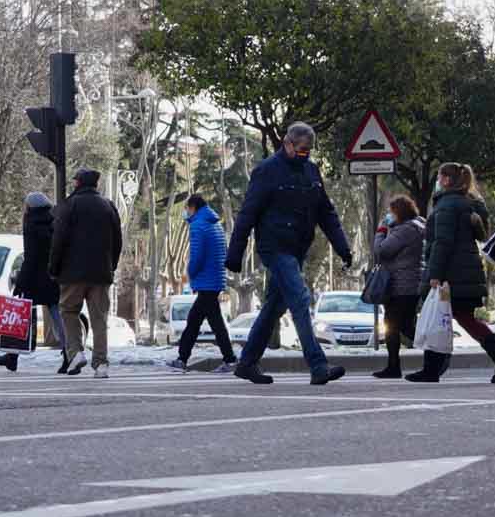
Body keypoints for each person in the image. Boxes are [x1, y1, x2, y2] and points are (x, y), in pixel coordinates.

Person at [225, 122, 354, 387]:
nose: (306, 155)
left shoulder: (311, 171)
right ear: (287, 144)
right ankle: (318, 366)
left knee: (274, 307)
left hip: (297, 249)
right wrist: (235, 253)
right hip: (275, 247)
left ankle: (247, 363)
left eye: (309, 151)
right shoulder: (266, 171)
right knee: (299, 297)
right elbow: (248, 213)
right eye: (302, 150)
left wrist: (343, 249)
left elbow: (326, 214)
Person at [411, 162, 495, 384]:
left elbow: (443, 242)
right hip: (462, 272)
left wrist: (434, 274)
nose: (437, 180)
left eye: (439, 176)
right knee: (455, 317)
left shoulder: (448, 205)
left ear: (447, 180)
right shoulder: (465, 203)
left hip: (451, 274)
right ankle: (433, 369)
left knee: (445, 317)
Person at [50, 169, 123, 378]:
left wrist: (53, 267)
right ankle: (101, 363)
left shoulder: (69, 205)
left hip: (72, 273)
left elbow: (59, 240)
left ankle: (75, 353)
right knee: (99, 319)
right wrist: (112, 265)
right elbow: (118, 240)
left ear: (78, 183)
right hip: (101, 272)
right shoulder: (108, 206)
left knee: (68, 311)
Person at [0, 191, 67, 372]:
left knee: (19, 316)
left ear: (29, 207)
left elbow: (31, 256)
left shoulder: (31, 224)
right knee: (57, 315)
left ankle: (12, 356)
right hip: (52, 277)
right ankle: (69, 352)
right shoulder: (54, 221)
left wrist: (20, 281)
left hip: (33, 278)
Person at [172, 193, 235, 372]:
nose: (186, 213)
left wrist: (190, 273)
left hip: (206, 280)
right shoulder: (214, 223)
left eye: (187, 209)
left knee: (202, 322)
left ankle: (229, 360)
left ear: (193, 208)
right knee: (201, 321)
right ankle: (183, 359)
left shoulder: (198, 225)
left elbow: (197, 255)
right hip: (215, 277)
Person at [371, 193, 428, 380]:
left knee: (395, 326)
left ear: (399, 212)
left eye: (391, 212)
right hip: (410, 283)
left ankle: (397, 366)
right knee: (403, 325)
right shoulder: (418, 225)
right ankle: (397, 364)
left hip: (401, 284)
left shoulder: (404, 230)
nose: (390, 215)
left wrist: (381, 230)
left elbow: (382, 251)